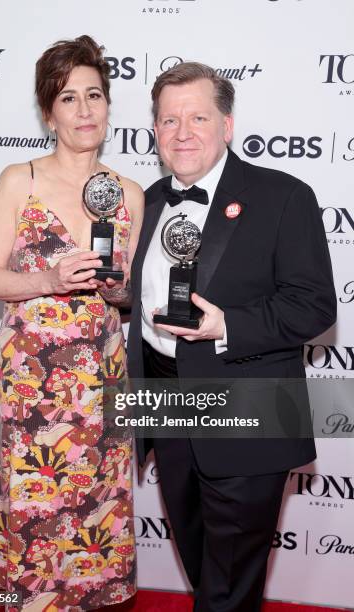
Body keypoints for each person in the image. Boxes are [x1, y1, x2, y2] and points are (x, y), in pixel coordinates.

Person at [127, 62, 336, 611]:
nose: (182, 132)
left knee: (229, 583)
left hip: (248, 405)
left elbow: (314, 304)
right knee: (203, 565)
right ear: (154, 132)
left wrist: (228, 325)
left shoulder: (284, 196)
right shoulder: (144, 203)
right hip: (167, 407)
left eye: (198, 116)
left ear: (228, 125)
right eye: (168, 120)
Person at [0, 35, 143, 611]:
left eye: (94, 95)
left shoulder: (131, 194)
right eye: (68, 98)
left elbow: (124, 297)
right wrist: (49, 279)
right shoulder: (20, 180)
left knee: (95, 505)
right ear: (49, 112)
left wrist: (118, 289)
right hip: (30, 387)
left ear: (108, 105)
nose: (85, 110)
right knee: (31, 512)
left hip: (100, 381)